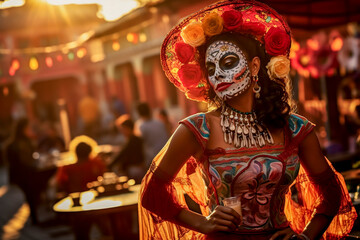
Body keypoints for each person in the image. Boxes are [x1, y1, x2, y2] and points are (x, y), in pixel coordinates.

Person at [139, 1, 357, 240]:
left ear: (255, 66)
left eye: (228, 63)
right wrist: (203, 224)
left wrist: (306, 237)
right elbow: (152, 194)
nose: (218, 74)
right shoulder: (197, 129)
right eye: (210, 68)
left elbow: (332, 193)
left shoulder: (295, 128)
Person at [5, 118, 40, 224]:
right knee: (31, 195)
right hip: (25, 174)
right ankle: (35, 219)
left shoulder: (12, 143)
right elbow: (26, 160)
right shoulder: (22, 142)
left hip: (19, 175)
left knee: (29, 195)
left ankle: (34, 217)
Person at [110, 115, 145, 183]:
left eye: (123, 129)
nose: (122, 132)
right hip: (138, 169)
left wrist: (110, 165)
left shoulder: (133, 140)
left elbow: (122, 154)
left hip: (135, 170)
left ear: (128, 128)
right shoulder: (135, 139)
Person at [135, 102, 168, 167]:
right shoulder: (160, 123)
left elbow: (138, 145)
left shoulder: (141, 126)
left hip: (152, 159)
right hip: (165, 154)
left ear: (138, 113)